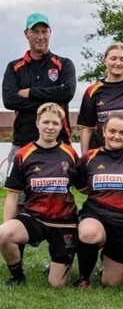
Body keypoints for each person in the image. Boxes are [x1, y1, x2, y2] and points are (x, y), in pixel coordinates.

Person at [2, 14, 76, 235]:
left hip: (58, 142)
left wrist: (30, 93)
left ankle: (59, 248)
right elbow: (9, 100)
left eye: (45, 31)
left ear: (50, 33)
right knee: (19, 198)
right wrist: (49, 98)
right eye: (35, 31)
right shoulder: (14, 67)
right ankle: (15, 246)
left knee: (59, 197)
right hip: (23, 140)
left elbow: (68, 92)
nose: (40, 36)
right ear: (26, 34)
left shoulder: (64, 64)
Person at [0, 103, 79, 287]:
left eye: (55, 123)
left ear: (61, 125)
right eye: (46, 122)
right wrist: (7, 227)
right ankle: (17, 275)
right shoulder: (23, 154)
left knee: (57, 284)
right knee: (3, 233)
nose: (50, 127)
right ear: (37, 123)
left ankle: (57, 264)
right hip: (34, 219)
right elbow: (12, 196)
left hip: (64, 222)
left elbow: (83, 188)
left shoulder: (71, 154)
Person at [74, 113, 123, 288]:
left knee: (112, 283)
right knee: (88, 233)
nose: (117, 136)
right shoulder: (89, 157)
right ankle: (84, 279)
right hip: (97, 213)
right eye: (112, 131)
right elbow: (82, 186)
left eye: (122, 133)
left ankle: (106, 257)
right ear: (104, 131)